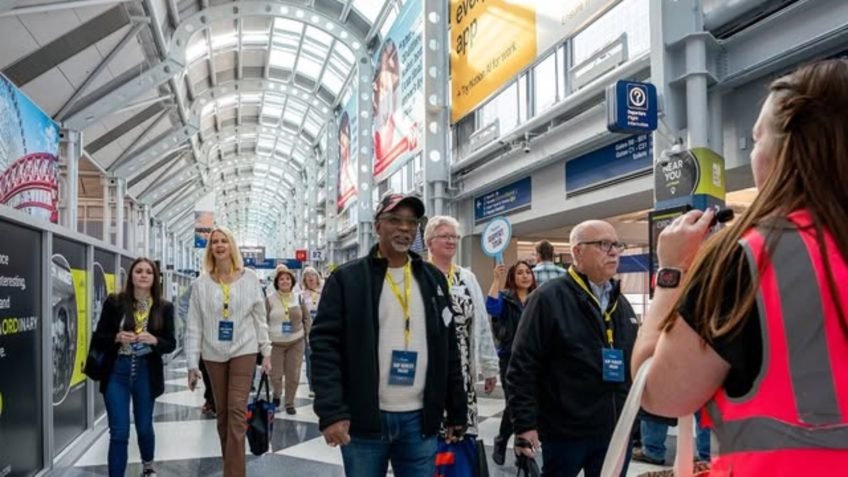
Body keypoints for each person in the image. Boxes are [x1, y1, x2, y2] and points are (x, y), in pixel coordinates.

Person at [632, 60, 848, 475]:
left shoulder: (750, 257)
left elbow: (659, 392)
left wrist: (671, 272)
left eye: (756, 139)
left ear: (789, 147)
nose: (752, 154)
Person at [310, 192, 467, 477]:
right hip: (364, 420)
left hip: (420, 420)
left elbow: (448, 346)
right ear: (377, 225)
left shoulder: (432, 279)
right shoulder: (347, 279)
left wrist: (457, 408)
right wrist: (331, 412)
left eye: (412, 222)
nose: (404, 227)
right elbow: (324, 347)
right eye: (394, 219)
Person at [508, 220, 638, 477]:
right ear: (578, 251)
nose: (614, 252)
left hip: (615, 430)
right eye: (604, 244)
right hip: (565, 431)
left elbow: (631, 364)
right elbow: (522, 366)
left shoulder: (620, 304)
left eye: (616, 245)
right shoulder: (547, 299)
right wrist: (524, 425)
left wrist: (633, 420)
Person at [185, 226, 272, 477]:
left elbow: (260, 318)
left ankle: (233, 474)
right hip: (212, 353)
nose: (219, 245)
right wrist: (192, 364)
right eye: (215, 242)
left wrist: (266, 351)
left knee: (236, 411)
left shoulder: (250, 278)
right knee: (222, 414)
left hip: (244, 349)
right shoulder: (201, 284)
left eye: (224, 241)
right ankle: (231, 466)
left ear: (231, 246)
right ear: (210, 248)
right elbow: (194, 325)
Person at [90, 257, 176, 477]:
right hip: (117, 371)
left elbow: (170, 343)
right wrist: (117, 337)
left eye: (148, 272)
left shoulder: (164, 307)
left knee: (144, 426)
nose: (143, 275)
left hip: (146, 371)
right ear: (131, 276)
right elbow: (99, 337)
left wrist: (154, 340)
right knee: (119, 431)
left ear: (155, 278)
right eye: (139, 271)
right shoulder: (114, 302)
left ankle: (148, 466)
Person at [424, 216, 500, 436]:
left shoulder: (467, 277)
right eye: (444, 236)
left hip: (463, 363)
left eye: (454, 237)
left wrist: (489, 367)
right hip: (431, 362)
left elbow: (481, 323)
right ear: (429, 242)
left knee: (461, 430)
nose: (451, 241)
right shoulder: (421, 275)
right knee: (432, 431)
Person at [486, 260, 536, 466]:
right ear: (512, 278)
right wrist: (496, 279)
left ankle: (521, 449)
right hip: (510, 358)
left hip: (534, 359)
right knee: (514, 403)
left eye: (528, 272)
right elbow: (491, 307)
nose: (525, 276)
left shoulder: (537, 298)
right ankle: (502, 440)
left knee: (529, 404)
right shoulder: (506, 298)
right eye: (520, 273)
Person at [266, 265, 311, 414]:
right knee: (276, 375)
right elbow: (263, 320)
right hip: (275, 343)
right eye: (281, 279)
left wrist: (307, 334)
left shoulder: (298, 298)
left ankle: (290, 403)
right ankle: (277, 394)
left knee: (293, 375)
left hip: (296, 342)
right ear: (277, 282)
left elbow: (307, 318)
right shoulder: (270, 299)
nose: (285, 281)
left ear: (292, 282)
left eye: (287, 279)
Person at [300, 266, 323, 398]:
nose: (310, 277)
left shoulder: (324, 293)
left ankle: (322, 385)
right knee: (310, 359)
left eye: (312, 275)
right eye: (307, 275)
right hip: (308, 332)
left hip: (322, 331)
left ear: (317, 278)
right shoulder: (301, 295)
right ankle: (312, 386)